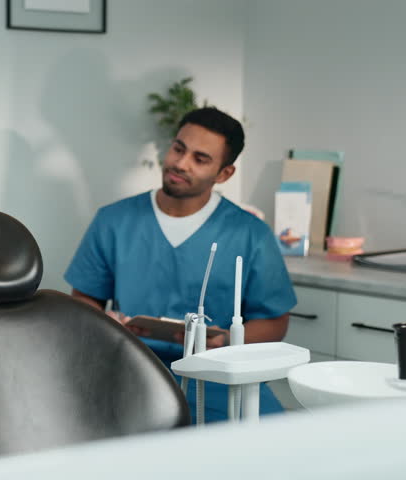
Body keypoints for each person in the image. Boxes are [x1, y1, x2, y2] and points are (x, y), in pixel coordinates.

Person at [64, 107, 296, 423]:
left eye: (200, 159)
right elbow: (84, 299)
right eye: (178, 148)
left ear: (224, 173)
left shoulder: (249, 233)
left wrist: (225, 340)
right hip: (132, 369)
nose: (180, 163)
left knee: (275, 444)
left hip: (218, 374)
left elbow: (274, 322)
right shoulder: (114, 221)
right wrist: (106, 325)